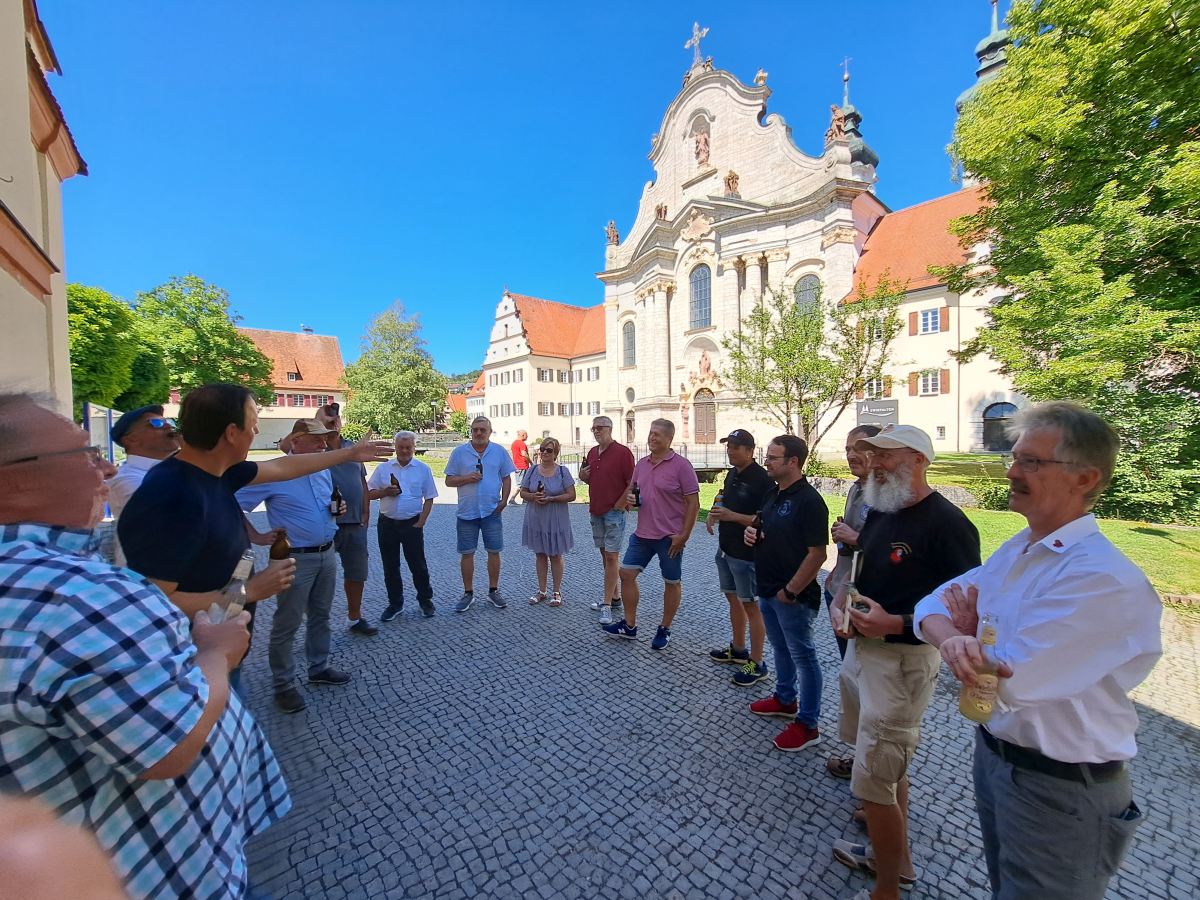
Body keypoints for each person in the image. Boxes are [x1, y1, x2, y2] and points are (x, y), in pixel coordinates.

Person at [0, 392, 291, 898]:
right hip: (157, 877)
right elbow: (169, 747)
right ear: (16, 476)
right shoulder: (64, 593)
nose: (104, 471)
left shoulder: (61, 569)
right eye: (84, 456)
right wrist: (216, 654)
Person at [914, 402, 1160, 900]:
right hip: (999, 761)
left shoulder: (1102, 580)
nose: (1012, 471)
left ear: (1085, 478)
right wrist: (958, 638)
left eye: (1031, 462)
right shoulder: (1020, 550)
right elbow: (928, 606)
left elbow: (1010, 678)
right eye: (1015, 458)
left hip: (1063, 790)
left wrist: (972, 639)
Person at [118, 384, 390, 691]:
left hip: (223, 646)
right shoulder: (170, 495)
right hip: (192, 666)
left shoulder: (217, 472)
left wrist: (350, 454)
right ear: (233, 433)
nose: (257, 429)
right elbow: (154, 601)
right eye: (254, 422)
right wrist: (247, 591)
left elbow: (281, 466)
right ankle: (283, 685)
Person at [827, 424, 981, 899]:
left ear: (918, 459)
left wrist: (893, 623)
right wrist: (842, 600)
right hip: (863, 653)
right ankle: (899, 859)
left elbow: (965, 616)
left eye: (884, 455)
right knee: (887, 771)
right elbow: (859, 568)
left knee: (875, 780)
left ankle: (888, 889)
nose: (872, 463)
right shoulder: (880, 510)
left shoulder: (950, 525)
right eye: (870, 455)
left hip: (902, 664)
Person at [237, 419, 353, 714]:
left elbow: (328, 503)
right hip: (294, 557)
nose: (324, 445)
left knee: (321, 615)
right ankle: (283, 684)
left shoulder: (321, 468)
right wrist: (258, 536)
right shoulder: (275, 472)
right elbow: (232, 502)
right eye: (317, 441)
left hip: (326, 552)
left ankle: (319, 666)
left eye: (326, 440)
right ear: (297, 440)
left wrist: (338, 509)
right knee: (287, 622)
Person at [744, 435, 829, 749]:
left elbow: (817, 554)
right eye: (768, 456)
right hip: (767, 588)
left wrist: (791, 591)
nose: (766, 461)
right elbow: (761, 524)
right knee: (780, 647)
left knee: (804, 656)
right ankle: (784, 698)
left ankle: (808, 724)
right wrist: (753, 532)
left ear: (793, 462)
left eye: (773, 457)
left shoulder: (809, 501)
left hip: (791, 596)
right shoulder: (773, 492)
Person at [602, 418, 700, 651]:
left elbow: (693, 503)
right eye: (650, 433)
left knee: (672, 582)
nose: (651, 437)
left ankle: (664, 628)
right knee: (626, 574)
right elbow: (635, 494)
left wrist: (684, 536)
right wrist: (630, 501)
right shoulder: (642, 464)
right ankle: (630, 625)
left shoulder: (682, 466)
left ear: (669, 439)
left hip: (670, 537)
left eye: (657, 434)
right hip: (643, 534)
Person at [824, 424, 880, 782]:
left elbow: (890, 550)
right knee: (851, 679)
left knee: (869, 687)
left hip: (866, 603)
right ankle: (862, 760)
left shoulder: (886, 496)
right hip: (841, 588)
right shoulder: (857, 488)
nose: (850, 455)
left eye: (859, 449)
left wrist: (854, 537)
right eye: (847, 448)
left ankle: (874, 770)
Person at [705, 429, 774, 686]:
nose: (730, 451)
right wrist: (715, 510)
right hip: (726, 548)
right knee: (733, 599)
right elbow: (723, 496)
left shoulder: (763, 480)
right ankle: (738, 649)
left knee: (751, 605)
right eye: (729, 446)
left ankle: (757, 663)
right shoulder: (734, 472)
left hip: (747, 554)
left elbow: (765, 519)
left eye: (736, 447)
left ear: (750, 450)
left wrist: (732, 516)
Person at [445, 416, 516, 612]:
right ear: (471, 431)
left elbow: (506, 477)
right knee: (467, 554)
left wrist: (503, 501)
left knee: (494, 551)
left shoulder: (499, 451)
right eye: (475, 429)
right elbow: (448, 481)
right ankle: (468, 593)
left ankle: (493, 590)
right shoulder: (459, 453)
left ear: (489, 432)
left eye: (482, 430)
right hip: (467, 512)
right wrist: (467, 478)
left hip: (491, 510)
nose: (478, 433)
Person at [368, 430, 438, 619]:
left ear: (414, 448)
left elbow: (430, 497)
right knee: (390, 566)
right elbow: (368, 493)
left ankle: (425, 600)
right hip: (387, 524)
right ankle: (395, 603)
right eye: (401, 447)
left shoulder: (423, 469)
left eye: (408, 447)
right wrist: (384, 492)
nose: (405, 451)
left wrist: (421, 521)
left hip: (412, 524)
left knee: (418, 565)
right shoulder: (384, 468)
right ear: (395, 447)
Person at [104, 404, 181, 565]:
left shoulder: (177, 470)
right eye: (156, 424)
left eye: (168, 422)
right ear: (131, 439)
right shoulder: (123, 479)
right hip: (148, 577)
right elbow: (172, 513)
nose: (168, 426)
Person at [578, 415, 634, 624]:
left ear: (610, 428)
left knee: (611, 557)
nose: (596, 431)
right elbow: (588, 478)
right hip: (596, 509)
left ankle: (607, 604)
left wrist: (620, 504)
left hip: (614, 511)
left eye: (600, 427)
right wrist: (583, 475)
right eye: (593, 428)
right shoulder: (593, 452)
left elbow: (632, 482)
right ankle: (616, 596)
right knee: (605, 556)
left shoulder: (623, 453)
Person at [325, 418, 378, 637]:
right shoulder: (314, 448)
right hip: (325, 523)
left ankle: (355, 617)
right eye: (325, 418)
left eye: (334, 419)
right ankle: (317, 624)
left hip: (355, 522)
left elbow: (362, 481)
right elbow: (287, 449)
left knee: (357, 573)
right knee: (320, 577)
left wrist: (366, 510)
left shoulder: (352, 447)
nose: (331, 422)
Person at [518, 436, 576, 606]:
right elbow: (523, 492)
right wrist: (533, 496)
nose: (544, 452)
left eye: (549, 450)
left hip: (556, 517)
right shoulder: (532, 470)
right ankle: (541, 590)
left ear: (555, 453)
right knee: (540, 554)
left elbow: (571, 495)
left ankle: (557, 591)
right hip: (536, 517)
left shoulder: (562, 471)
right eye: (542, 449)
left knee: (555, 555)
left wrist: (552, 498)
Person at [510, 430, 532, 504]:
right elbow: (524, 454)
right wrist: (531, 462)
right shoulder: (521, 443)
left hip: (516, 465)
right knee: (521, 484)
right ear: (522, 435)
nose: (527, 437)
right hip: (522, 465)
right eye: (526, 435)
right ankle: (512, 498)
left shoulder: (514, 443)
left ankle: (525, 499)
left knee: (524, 483)